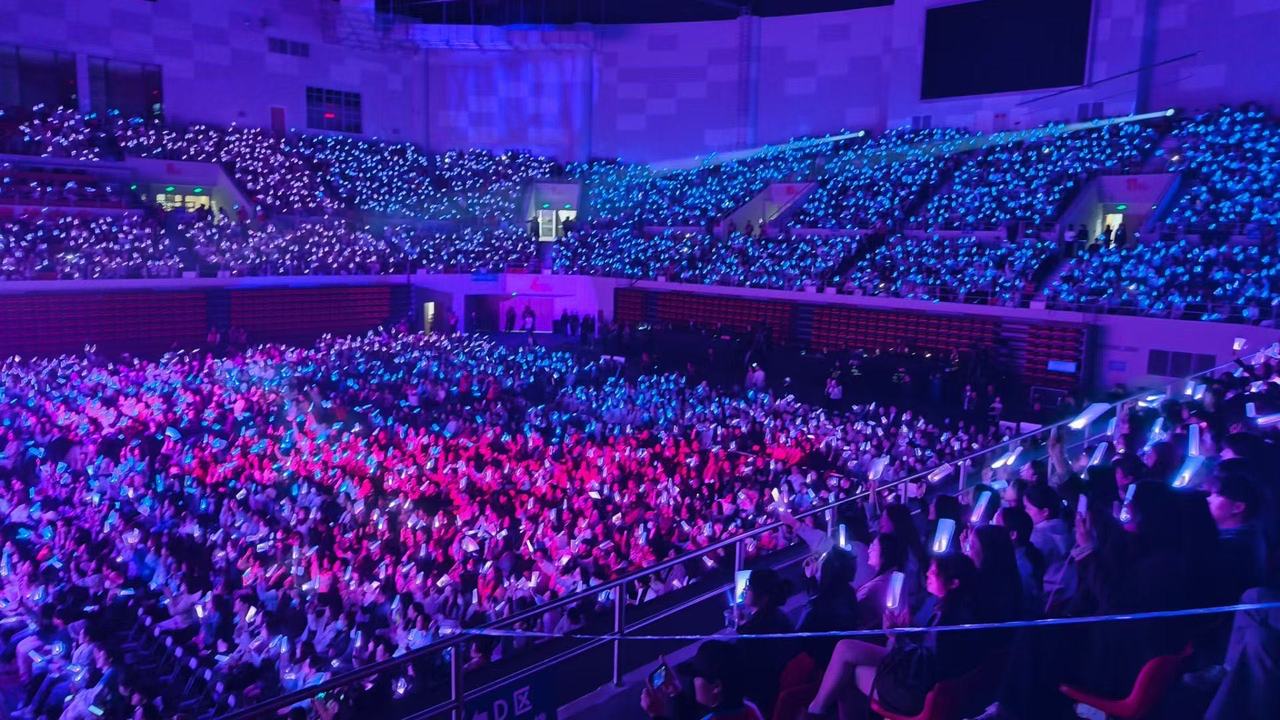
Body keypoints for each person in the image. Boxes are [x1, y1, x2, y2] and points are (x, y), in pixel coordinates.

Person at [804, 554, 986, 718]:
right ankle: (816, 710)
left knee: (847, 672)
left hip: (914, 691)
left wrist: (897, 637)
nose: (927, 574)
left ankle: (815, 711)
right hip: (921, 680)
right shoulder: (953, 608)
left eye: (934, 572)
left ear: (954, 583)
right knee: (845, 647)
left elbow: (922, 664)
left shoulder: (948, 617)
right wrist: (903, 632)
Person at [641, 641, 766, 720]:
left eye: (696, 675)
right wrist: (676, 694)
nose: (693, 681)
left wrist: (655, 714)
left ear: (716, 687)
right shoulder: (750, 710)